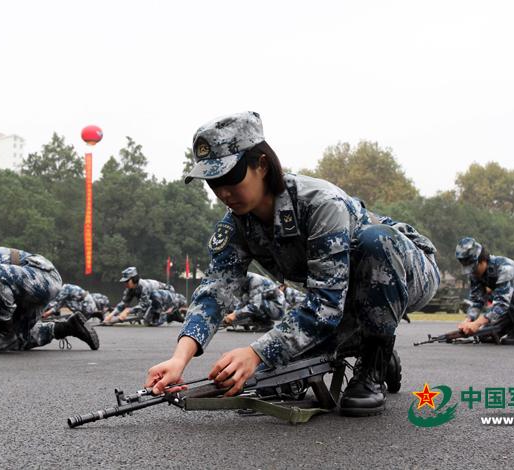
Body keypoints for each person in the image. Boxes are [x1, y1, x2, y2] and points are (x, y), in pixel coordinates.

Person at [145, 111, 440, 416]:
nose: (223, 192)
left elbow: (325, 307)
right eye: (213, 182)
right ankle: (367, 342)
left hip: (407, 272)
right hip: (346, 294)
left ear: (261, 164)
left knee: (375, 240)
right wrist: (180, 359)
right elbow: (215, 291)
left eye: (230, 178)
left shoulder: (320, 204)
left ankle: (373, 365)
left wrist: (256, 352)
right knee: (274, 377)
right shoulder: (235, 226)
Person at [455, 237, 514, 345]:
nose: (472, 272)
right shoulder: (475, 275)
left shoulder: (505, 268)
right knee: (484, 334)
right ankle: (510, 326)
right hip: (512, 306)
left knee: (510, 291)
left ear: (482, 260)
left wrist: (477, 324)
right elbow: (477, 301)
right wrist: (468, 320)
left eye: (473, 267)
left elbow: (502, 304)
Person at [103, 267, 178, 326]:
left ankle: (160, 315)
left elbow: (144, 305)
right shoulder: (129, 289)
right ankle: (165, 316)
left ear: (134, 279)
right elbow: (123, 303)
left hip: (169, 295)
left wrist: (128, 311)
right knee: (147, 322)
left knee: (154, 294)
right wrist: (110, 316)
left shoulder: (144, 286)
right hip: (156, 300)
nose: (125, 283)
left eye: (127, 281)